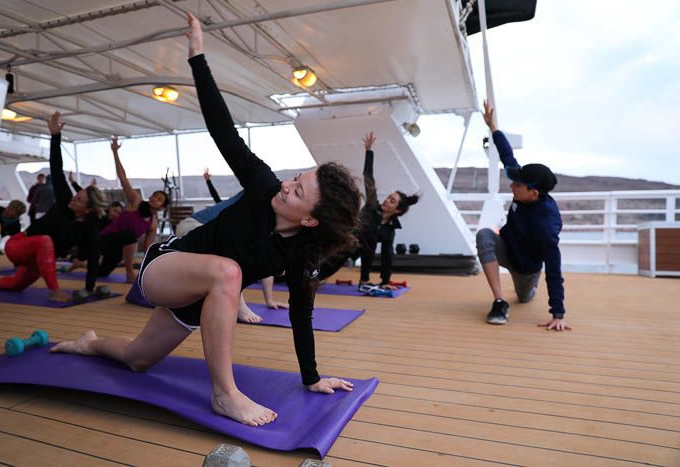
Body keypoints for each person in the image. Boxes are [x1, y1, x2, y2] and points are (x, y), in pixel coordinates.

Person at [51, 12, 362, 428]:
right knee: (229, 272)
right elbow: (223, 130)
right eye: (296, 179)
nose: (287, 186)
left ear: (309, 222)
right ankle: (224, 394)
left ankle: (88, 344)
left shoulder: (301, 254)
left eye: (298, 192)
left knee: (137, 359)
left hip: (201, 298)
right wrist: (197, 57)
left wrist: (312, 378)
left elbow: (300, 312)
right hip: (166, 268)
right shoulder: (263, 186)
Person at [0, 112, 106, 301]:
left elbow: (94, 255)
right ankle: (54, 291)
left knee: (16, 285)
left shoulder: (89, 226)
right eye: (77, 195)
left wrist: (89, 288)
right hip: (18, 245)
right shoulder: (65, 200)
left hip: (38, 259)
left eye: (79, 200)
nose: (74, 199)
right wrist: (55, 137)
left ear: (88, 210)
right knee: (45, 240)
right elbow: (56, 169)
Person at [476, 101, 570, 331]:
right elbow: (507, 156)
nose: (511, 186)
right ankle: (499, 302)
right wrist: (493, 127)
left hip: (525, 268)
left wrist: (558, 313)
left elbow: (554, 268)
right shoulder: (524, 186)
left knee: (524, 297)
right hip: (507, 248)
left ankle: (530, 287)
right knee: (484, 235)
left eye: (517, 185)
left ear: (534, 193)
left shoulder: (547, 223)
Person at [175, 173, 285, 324]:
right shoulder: (257, 198)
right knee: (234, 253)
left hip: (203, 229)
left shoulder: (268, 220)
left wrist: (269, 300)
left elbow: (266, 264)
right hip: (192, 226)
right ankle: (240, 306)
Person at [94, 136, 169, 282]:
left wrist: (152, 270)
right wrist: (115, 152)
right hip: (103, 241)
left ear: (162, 207)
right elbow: (123, 177)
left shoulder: (152, 224)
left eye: (159, 199)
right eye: (154, 195)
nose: (155, 198)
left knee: (101, 274)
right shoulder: (136, 201)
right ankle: (129, 272)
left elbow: (148, 248)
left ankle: (80, 263)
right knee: (130, 234)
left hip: (118, 250)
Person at [356, 132, 419, 289]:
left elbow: (387, 256)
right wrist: (369, 151)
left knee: (374, 243)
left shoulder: (390, 228)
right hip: (346, 242)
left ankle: (364, 280)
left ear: (397, 210)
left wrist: (385, 282)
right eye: (389, 197)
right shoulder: (372, 205)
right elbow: (368, 178)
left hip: (363, 247)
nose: (386, 200)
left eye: (392, 201)